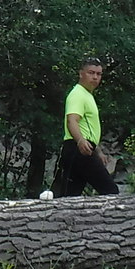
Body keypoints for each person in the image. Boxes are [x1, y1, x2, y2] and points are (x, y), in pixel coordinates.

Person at [52, 56, 119, 197]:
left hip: (84, 148)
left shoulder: (87, 95)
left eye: (98, 74)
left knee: (70, 196)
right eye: (91, 72)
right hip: (79, 149)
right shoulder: (77, 94)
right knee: (110, 191)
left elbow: (89, 129)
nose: (95, 77)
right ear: (81, 73)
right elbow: (72, 121)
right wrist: (80, 141)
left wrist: (98, 151)